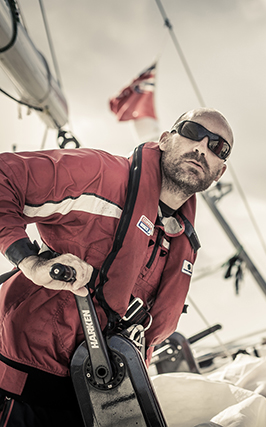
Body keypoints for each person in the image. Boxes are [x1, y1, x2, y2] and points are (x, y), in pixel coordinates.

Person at [0, 108, 233, 426]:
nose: (202, 148)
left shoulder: (181, 243)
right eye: (193, 132)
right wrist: (29, 261)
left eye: (218, 147)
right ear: (165, 139)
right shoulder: (98, 174)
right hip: (20, 395)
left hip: (98, 407)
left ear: (219, 172)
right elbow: (4, 176)